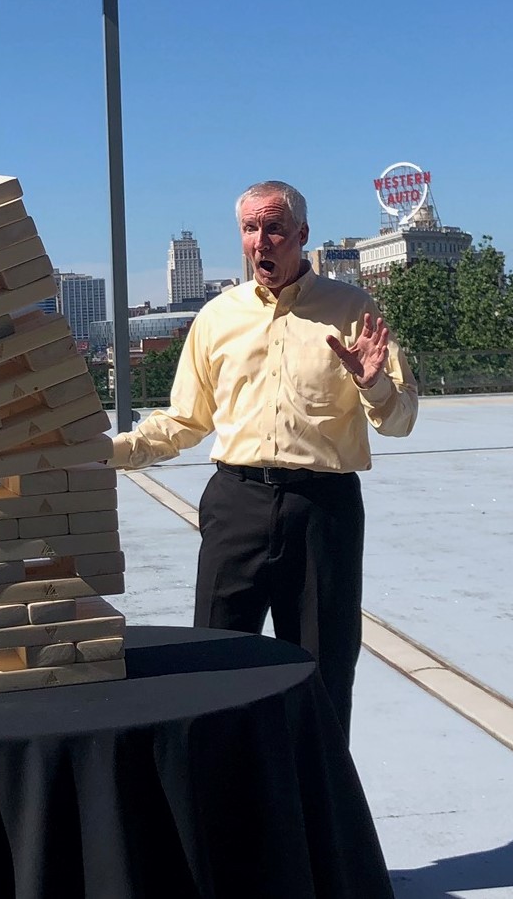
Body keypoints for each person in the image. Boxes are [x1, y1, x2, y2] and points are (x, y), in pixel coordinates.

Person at [111, 180, 417, 739]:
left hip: (322, 510)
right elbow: (183, 421)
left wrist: (373, 386)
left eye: (274, 228)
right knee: (215, 663)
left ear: (302, 234)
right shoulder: (215, 318)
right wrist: (110, 452)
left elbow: (400, 421)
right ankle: (219, 805)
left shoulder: (354, 312)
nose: (261, 241)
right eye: (250, 229)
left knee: (323, 675)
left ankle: (318, 816)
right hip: (236, 505)